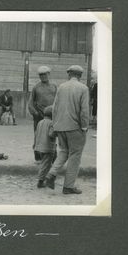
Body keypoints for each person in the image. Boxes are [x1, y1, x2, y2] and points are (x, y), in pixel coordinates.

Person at [44, 65, 90, 194]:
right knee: (75, 155)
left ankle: (51, 174)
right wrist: (84, 127)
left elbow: (55, 108)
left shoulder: (61, 87)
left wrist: (55, 125)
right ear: (80, 76)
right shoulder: (83, 88)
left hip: (61, 126)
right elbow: (84, 111)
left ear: (69, 75)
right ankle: (68, 186)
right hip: (75, 127)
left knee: (64, 151)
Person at [33, 106, 56, 188]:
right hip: (47, 148)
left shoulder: (40, 122)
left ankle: (45, 179)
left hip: (38, 147)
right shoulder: (52, 123)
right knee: (46, 165)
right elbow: (51, 134)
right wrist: (57, 132)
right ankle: (40, 181)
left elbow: (36, 134)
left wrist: (34, 144)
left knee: (45, 164)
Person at [28, 66, 57, 132]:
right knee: (38, 134)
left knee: (51, 134)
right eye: (41, 75)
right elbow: (30, 103)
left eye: (45, 74)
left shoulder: (54, 86)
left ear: (49, 74)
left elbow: (57, 101)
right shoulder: (36, 87)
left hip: (51, 115)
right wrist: (35, 113)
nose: (43, 76)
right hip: (39, 116)